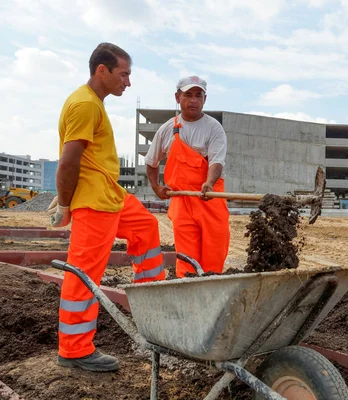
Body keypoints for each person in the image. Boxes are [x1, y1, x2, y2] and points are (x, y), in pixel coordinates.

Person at [48, 43, 165, 372]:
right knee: (85, 273)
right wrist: (66, 205)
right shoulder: (84, 105)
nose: (127, 82)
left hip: (109, 194)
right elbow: (68, 162)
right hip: (93, 203)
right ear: (102, 70)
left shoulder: (93, 104)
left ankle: (150, 302)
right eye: (124, 74)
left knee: (146, 226)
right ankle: (74, 349)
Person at [145, 76, 230, 277]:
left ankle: (211, 286)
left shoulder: (213, 128)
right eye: (188, 95)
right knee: (186, 257)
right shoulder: (167, 129)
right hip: (183, 201)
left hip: (210, 199)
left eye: (198, 96)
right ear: (177, 97)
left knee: (214, 253)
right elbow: (151, 162)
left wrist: (208, 183)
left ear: (204, 99)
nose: (193, 100)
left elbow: (217, 161)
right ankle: (187, 288)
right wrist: (156, 187)